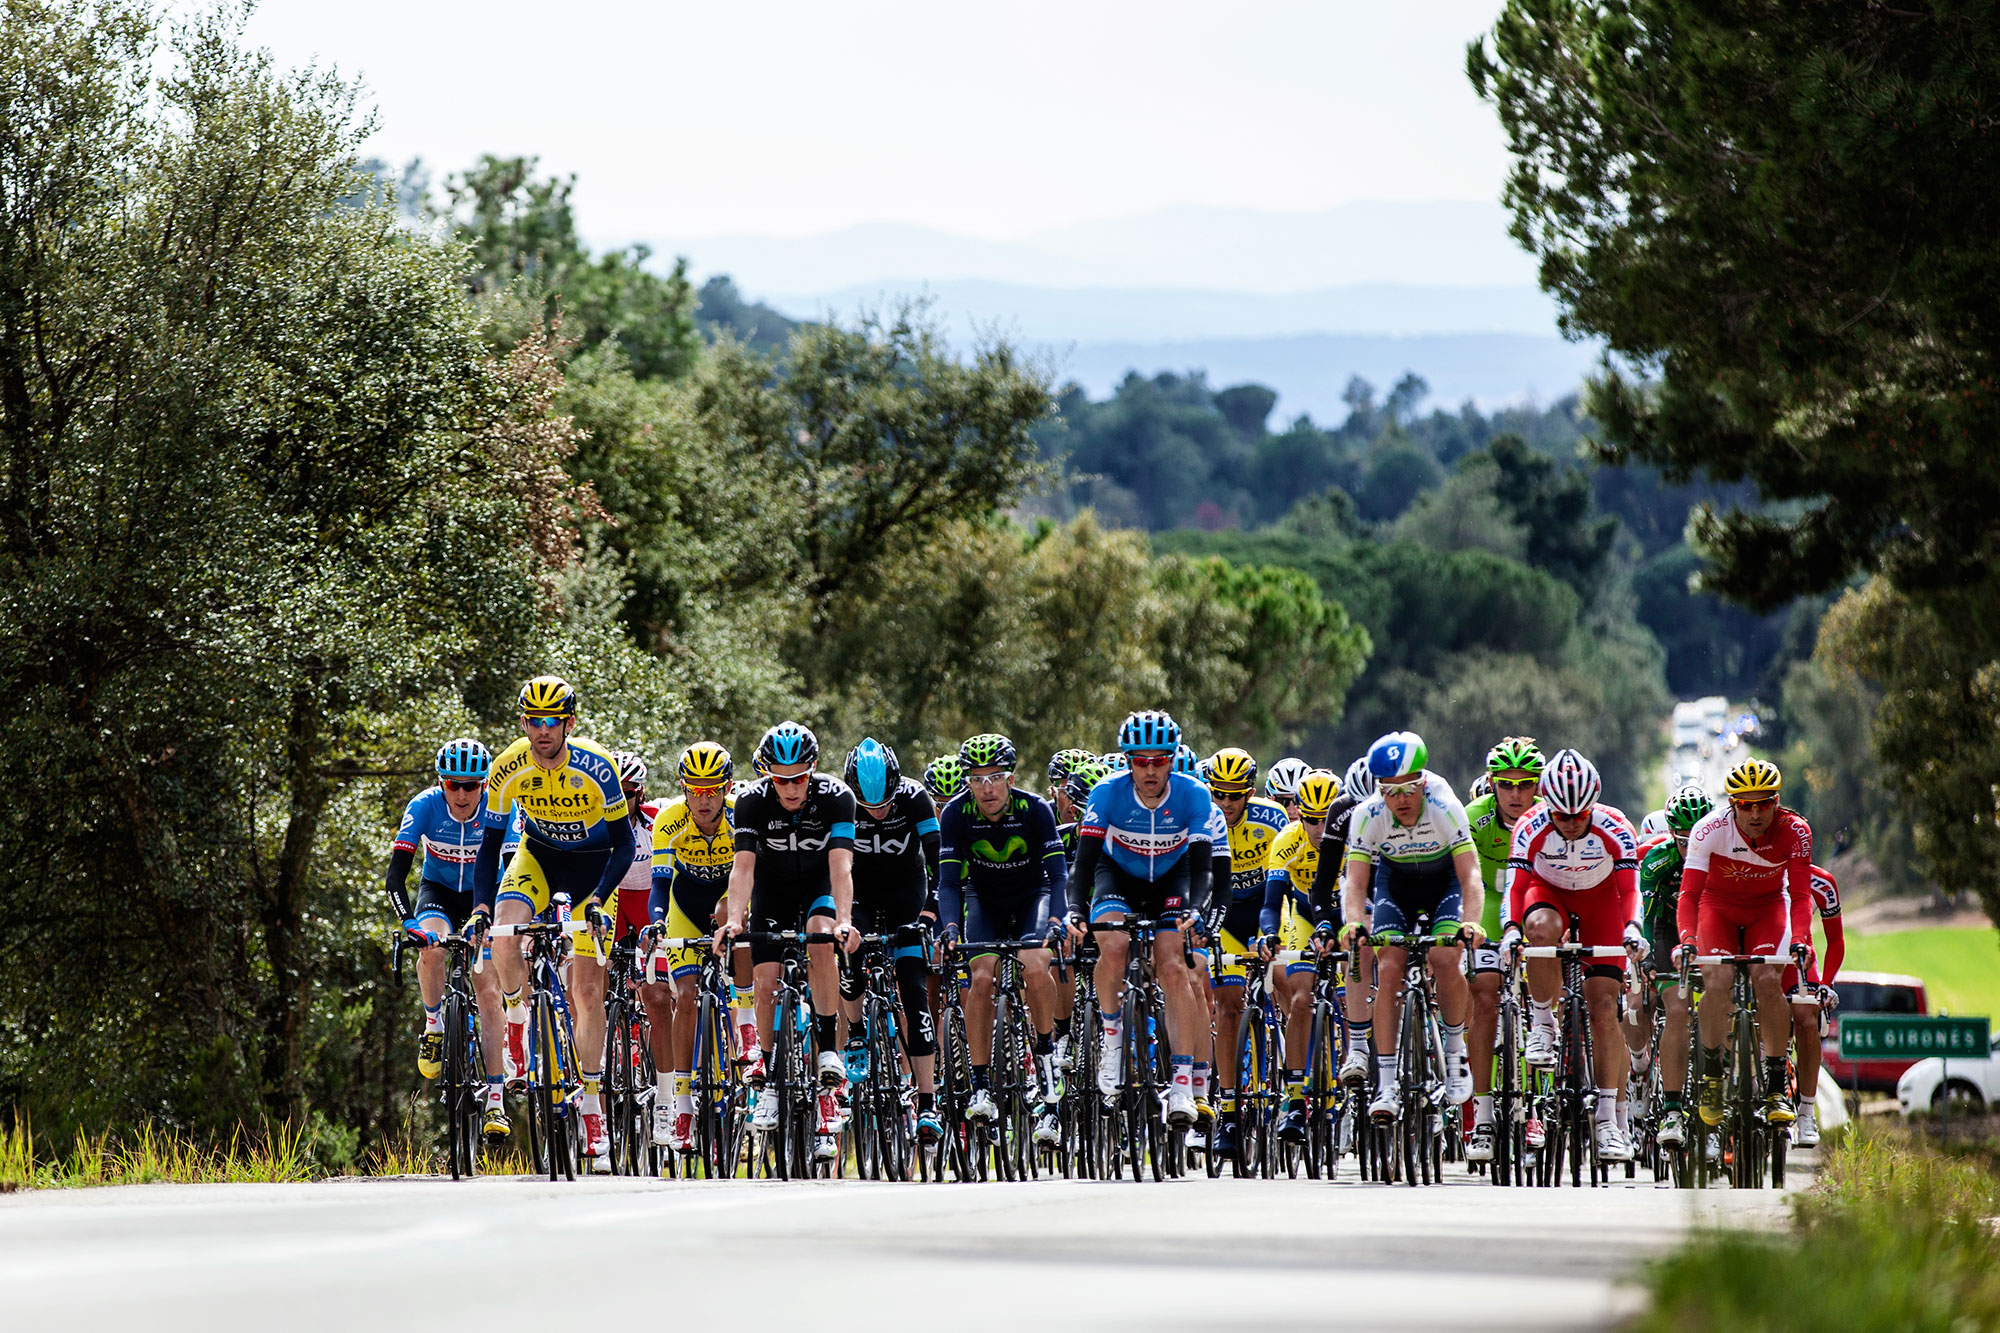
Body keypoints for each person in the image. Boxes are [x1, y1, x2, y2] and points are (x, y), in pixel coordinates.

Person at [468, 676, 634, 1171]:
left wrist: (602, 898)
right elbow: (488, 845)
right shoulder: (507, 767)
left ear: (569, 724)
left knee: (586, 993)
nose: (542, 731)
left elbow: (625, 845)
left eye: (551, 722)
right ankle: (518, 1023)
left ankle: (592, 1107)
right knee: (503, 932)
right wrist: (479, 906)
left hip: (594, 870)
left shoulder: (597, 767)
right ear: (523, 723)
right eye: (533, 722)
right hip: (537, 859)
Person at [715, 722, 860, 1160]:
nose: (792, 787)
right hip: (773, 891)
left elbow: (841, 868)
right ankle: (769, 1074)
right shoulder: (752, 801)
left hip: (818, 886)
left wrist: (845, 921)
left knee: (820, 939)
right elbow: (742, 869)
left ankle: (830, 1053)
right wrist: (735, 920)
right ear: (767, 773)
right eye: (782, 778)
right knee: (764, 981)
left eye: (799, 777)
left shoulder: (837, 796)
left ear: (812, 769)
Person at [1067, 710, 1219, 1127]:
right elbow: (1084, 864)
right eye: (1140, 761)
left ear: (1172, 759)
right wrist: (1077, 908)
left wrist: (1197, 906)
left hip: (1173, 876)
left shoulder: (1193, 794)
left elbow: (1204, 868)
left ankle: (1184, 1085)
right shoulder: (1107, 793)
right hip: (1117, 874)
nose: (1150, 770)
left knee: (1173, 964)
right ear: (1127, 760)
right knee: (1112, 946)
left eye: (1159, 760)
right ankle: (1113, 1040)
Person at [1500, 748, 1644, 1163]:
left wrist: (1633, 929)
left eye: (1579, 815)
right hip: (1550, 895)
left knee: (1603, 1008)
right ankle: (1543, 1020)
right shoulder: (1530, 825)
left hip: (1602, 903)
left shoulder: (1615, 827)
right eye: (1561, 816)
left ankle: (1606, 1121)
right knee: (1538, 930)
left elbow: (1631, 890)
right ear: (1546, 805)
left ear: (1593, 804)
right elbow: (1515, 885)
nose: (1570, 823)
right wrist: (1511, 930)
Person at [1338, 731, 1482, 1124]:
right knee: (1387, 968)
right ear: (1378, 789)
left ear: (1423, 780)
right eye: (1390, 791)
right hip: (1396, 886)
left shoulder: (1445, 805)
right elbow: (1355, 881)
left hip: (1444, 886)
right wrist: (1353, 923)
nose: (1401, 800)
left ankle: (1454, 1053)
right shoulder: (1367, 815)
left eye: (1410, 789)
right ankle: (1386, 1084)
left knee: (1444, 956)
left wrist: (1470, 921)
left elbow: (1470, 876)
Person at [937, 733, 1068, 1145]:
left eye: (995, 777)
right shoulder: (956, 814)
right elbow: (948, 883)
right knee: (979, 980)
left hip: (1035, 895)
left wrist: (1059, 920)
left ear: (1010, 778)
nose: (986, 787)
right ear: (968, 782)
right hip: (984, 900)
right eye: (976, 779)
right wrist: (950, 927)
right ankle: (980, 1085)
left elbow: (1060, 875)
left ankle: (1046, 1057)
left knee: (1034, 964)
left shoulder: (1036, 809)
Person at [1677, 757, 1810, 1132]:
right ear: (1732, 804)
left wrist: (1799, 939)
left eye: (1764, 803)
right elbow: (1689, 896)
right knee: (1717, 985)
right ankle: (1713, 1075)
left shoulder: (1794, 831)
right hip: (1717, 909)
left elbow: (1800, 897)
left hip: (1768, 909)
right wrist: (1688, 939)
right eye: (1746, 805)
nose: (1755, 813)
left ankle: (1774, 1087)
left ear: (1777, 802)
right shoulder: (1709, 831)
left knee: (1767, 980)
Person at [387, 738, 510, 1139]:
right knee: (432, 948)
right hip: (437, 892)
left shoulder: (501, 806)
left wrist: (494, 918)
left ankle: (495, 1100)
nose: (460, 793)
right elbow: (396, 876)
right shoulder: (424, 806)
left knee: (489, 989)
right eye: (452, 784)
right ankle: (435, 1024)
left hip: (484, 897)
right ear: (441, 783)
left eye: (470, 785)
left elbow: (510, 872)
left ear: (484, 784)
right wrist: (409, 923)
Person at [839, 738, 945, 1145]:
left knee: (914, 989)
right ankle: (856, 1033)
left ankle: (927, 1100)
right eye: (870, 806)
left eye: (884, 803)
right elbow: (836, 865)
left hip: (908, 894)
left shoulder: (915, 797)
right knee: (847, 951)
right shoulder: (844, 802)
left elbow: (939, 861)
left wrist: (929, 915)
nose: (879, 812)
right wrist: (843, 920)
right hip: (861, 893)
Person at [648, 741, 740, 1153]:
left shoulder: (741, 815)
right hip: (684, 902)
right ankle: (683, 1101)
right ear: (683, 789)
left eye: (712, 789)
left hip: (731, 896)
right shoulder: (668, 820)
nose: (703, 799)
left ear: (727, 787)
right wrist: (656, 923)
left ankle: (748, 1024)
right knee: (685, 997)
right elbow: (659, 884)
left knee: (733, 918)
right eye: (694, 789)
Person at [1198, 747, 1290, 1159]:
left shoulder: (1272, 819)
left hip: (1268, 910)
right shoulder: (1201, 816)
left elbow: (1286, 884)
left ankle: (1295, 1084)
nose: (1226, 803)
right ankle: (1231, 1109)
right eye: (1218, 793)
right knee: (1228, 1004)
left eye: (1234, 795)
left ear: (1250, 792)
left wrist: (1273, 935)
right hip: (1226, 917)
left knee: (1290, 980)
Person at [1262, 769, 1360, 1143]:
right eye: (1311, 819)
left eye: (1326, 818)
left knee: (1353, 1000)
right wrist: (1269, 933)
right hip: (1305, 917)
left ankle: (1357, 1084)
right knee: (1301, 997)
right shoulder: (1287, 840)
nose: (1320, 828)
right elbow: (1272, 902)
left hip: (1347, 915)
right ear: (1298, 812)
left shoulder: (1355, 835)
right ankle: (1296, 1100)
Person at [1459, 737, 1545, 1161]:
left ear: (1538, 786)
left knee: (1544, 1003)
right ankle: (1483, 1112)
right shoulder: (1473, 818)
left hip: (1531, 902)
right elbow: (1464, 877)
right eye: (1506, 784)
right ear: (1492, 784)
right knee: (1486, 995)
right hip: (1489, 907)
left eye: (1525, 784)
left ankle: (1534, 1109)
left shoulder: (1549, 819)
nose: (1515, 794)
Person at [1633, 783, 1712, 1150]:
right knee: (1676, 1008)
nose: (1691, 848)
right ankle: (1673, 1110)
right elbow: (1647, 921)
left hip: (1708, 926)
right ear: (1671, 835)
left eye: (1697, 838)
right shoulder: (1657, 861)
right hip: (1666, 929)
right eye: (1683, 841)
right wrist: (1649, 958)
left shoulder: (1726, 856)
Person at [605, 750, 670, 1148]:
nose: (622, 801)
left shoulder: (655, 819)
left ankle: (665, 1094)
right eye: (615, 792)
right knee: (591, 986)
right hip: (611, 903)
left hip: (646, 903)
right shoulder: (596, 821)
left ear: (640, 792)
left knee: (656, 994)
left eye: (629, 794)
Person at [1786, 863, 1844, 1147]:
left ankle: (1806, 1112)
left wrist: (1827, 984)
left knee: (1807, 1019)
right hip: (1758, 953)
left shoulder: (1820, 882)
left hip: (1799, 960)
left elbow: (1835, 940)